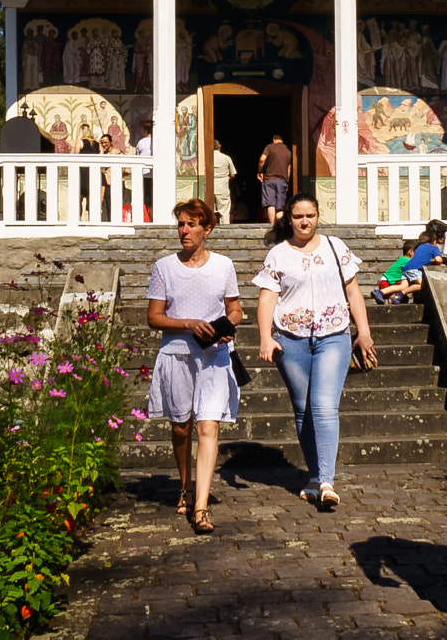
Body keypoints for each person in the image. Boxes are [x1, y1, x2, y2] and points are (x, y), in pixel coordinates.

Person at [254, 196, 376, 508]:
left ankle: (327, 480)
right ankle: (313, 476)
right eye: (298, 216)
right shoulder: (278, 254)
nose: (305, 221)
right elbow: (267, 298)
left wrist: (363, 332)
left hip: (332, 335)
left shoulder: (334, 247)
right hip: (291, 340)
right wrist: (265, 337)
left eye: (310, 215)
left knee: (323, 406)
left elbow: (353, 290)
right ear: (289, 219)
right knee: (302, 409)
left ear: (318, 216)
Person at [146, 197, 243, 534]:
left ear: (207, 229)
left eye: (191, 225)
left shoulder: (223, 266)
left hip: (213, 357)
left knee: (208, 426)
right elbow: (153, 317)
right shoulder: (164, 267)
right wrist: (189, 323)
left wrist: (225, 329)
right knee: (181, 427)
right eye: (181, 224)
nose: (184, 231)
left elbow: (235, 309)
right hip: (176, 355)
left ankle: (200, 507)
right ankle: (185, 486)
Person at [257, 133, 293, 223]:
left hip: (269, 179)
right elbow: (289, 168)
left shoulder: (270, 147)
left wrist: (260, 171)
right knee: (280, 207)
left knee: (270, 204)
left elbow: (262, 159)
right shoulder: (288, 152)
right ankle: (278, 226)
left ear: (274, 140)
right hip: (282, 181)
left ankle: (272, 225)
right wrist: (287, 181)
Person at [210, 140, 237, 224]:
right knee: (224, 210)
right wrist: (225, 179)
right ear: (220, 146)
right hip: (222, 186)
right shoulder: (226, 158)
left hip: (210, 187)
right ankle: (225, 229)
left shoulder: (207, 158)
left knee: (210, 210)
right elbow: (233, 174)